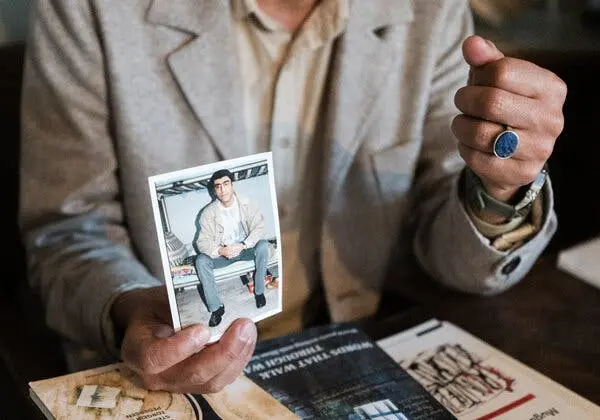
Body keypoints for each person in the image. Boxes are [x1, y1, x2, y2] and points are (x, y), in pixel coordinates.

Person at [19, 0, 566, 395]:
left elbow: (451, 251)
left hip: (354, 343)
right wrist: (132, 308)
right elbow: (69, 230)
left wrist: (497, 187)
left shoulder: (430, 11)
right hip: (168, 373)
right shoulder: (89, 9)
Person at [194, 169, 269, 327]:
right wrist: (221, 250)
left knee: (263, 246)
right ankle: (216, 308)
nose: (222, 190)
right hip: (223, 254)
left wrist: (243, 245)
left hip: (246, 248)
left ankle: (259, 292)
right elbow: (202, 243)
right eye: (218, 186)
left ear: (232, 185)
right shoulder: (207, 214)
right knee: (200, 261)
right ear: (214, 190)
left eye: (226, 184)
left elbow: (259, 228)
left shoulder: (248, 203)